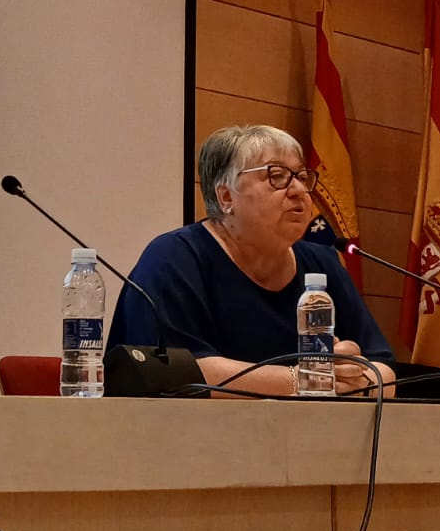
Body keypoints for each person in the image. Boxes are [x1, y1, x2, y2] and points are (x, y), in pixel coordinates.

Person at [110, 124, 396, 398]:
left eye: (301, 176)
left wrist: (356, 379)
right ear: (226, 197)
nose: (299, 190)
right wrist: (305, 380)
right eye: (277, 176)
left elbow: (385, 370)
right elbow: (177, 372)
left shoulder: (323, 264)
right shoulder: (174, 258)